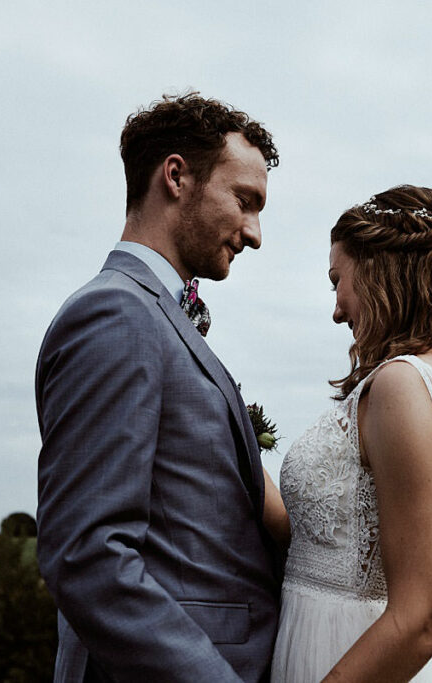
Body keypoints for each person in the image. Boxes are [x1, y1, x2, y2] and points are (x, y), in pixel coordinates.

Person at [35, 93, 284, 682]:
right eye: (244, 201)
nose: (254, 234)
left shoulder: (154, 314)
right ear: (176, 176)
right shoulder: (115, 316)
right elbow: (88, 556)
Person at [268, 185, 432, 682]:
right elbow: (335, 539)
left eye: (336, 281)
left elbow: (422, 620)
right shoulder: (418, 377)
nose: (337, 309)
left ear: (376, 268)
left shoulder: (402, 384)